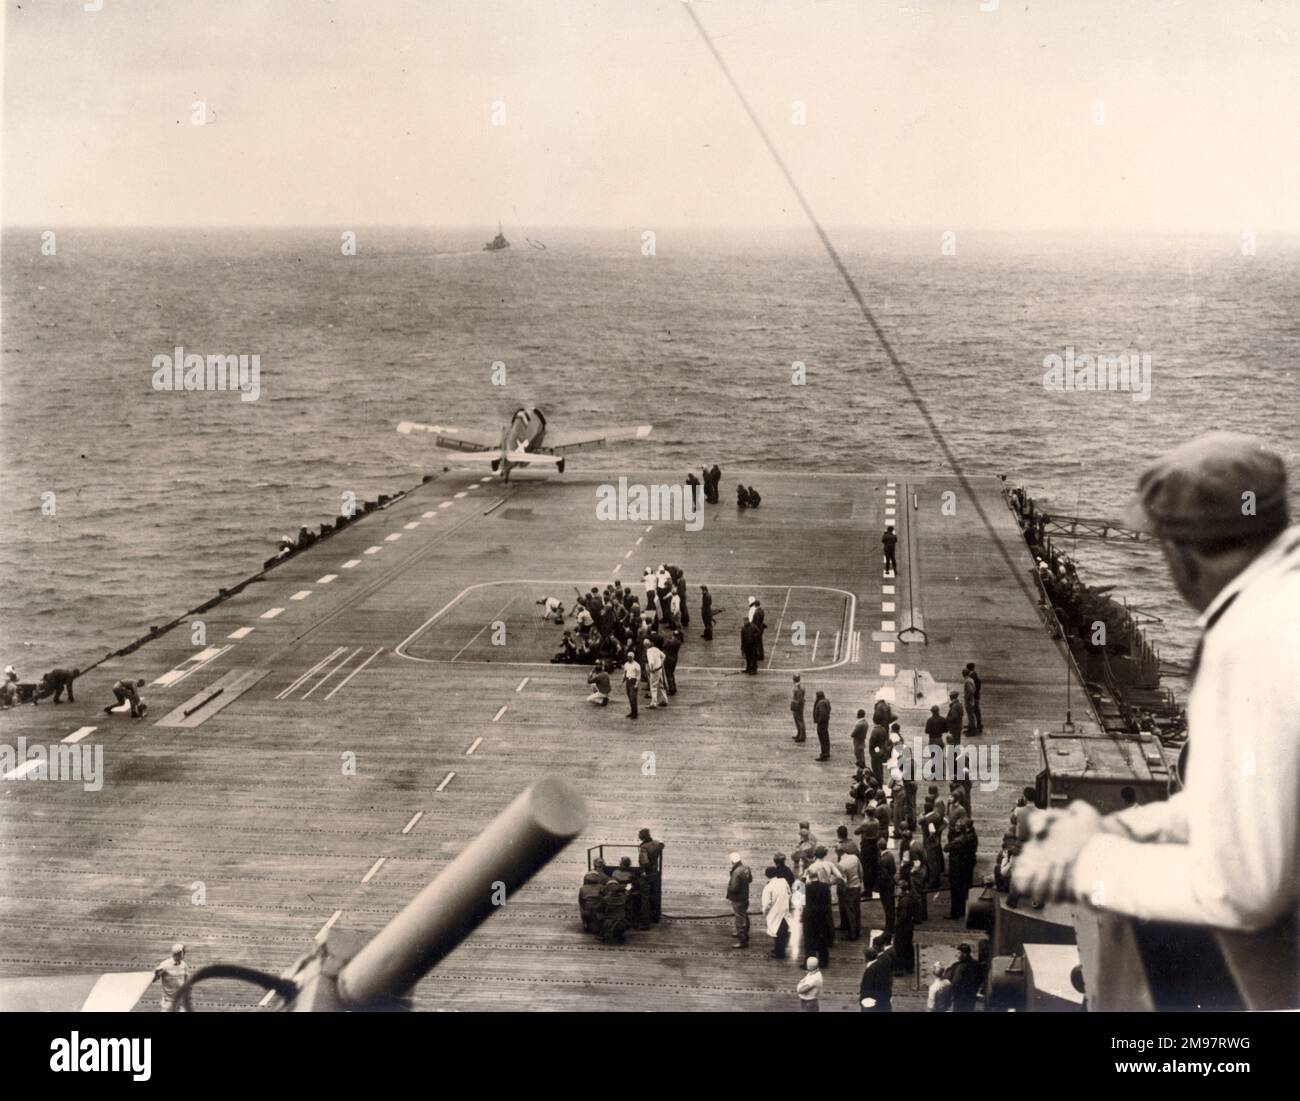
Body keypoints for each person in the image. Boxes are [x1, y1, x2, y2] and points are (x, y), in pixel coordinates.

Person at [1012, 432, 1300, 1010]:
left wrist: (1087, 861)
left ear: (1181, 554)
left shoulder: (1251, 639)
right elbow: (1255, 798)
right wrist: (1121, 829)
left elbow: (1245, 889)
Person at [762, 866, 792, 959]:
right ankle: (778, 949)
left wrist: (764, 911)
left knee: (776, 932)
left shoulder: (768, 886)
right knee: (783, 931)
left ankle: (780, 953)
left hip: (774, 912)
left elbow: (766, 903)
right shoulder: (783, 881)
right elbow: (789, 893)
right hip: (785, 910)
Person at [836, 844, 864, 940]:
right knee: (857, 910)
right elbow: (861, 870)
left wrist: (842, 892)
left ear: (838, 852)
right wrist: (860, 881)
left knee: (850, 911)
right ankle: (858, 930)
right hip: (857, 886)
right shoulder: (854, 857)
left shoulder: (841, 864)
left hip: (849, 888)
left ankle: (852, 934)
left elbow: (843, 881)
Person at [726, 852, 752, 948]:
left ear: (732, 861)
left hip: (737, 899)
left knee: (739, 919)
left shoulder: (736, 872)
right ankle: (745, 932)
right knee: (744, 914)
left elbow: (734, 888)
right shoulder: (746, 868)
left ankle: (742, 941)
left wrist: (729, 888)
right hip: (745, 896)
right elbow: (750, 880)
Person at [153, 943, 189, 1012]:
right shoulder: (165, 965)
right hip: (168, 1002)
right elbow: (154, 978)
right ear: (179, 953)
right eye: (183, 952)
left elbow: (186, 979)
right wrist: (156, 974)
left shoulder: (184, 965)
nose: (185, 953)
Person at [638, 828, 665, 922]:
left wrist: (643, 872)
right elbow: (662, 845)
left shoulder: (644, 847)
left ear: (642, 836)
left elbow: (644, 862)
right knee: (655, 895)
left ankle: (645, 923)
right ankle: (655, 917)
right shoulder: (656, 843)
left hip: (647, 875)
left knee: (645, 899)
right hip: (655, 872)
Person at [859, 944, 894, 1012]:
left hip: (873, 1001)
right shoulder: (880, 964)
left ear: (866, 958)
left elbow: (866, 986)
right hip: (884, 998)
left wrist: (863, 1001)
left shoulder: (870, 970)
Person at [947, 943, 981, 1012]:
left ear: (965, 954)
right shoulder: (977, 964)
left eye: (959, 953)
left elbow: (955, 982)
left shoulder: (959, 966)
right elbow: (980, 980)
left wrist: (951, 994)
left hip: (959, 998)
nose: (956, 955)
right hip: (971, 997)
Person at [644, 639, 668, 707]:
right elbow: (664, 656)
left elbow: (651, 661)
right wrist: (661, 663)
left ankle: (653, 703)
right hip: (660, 668)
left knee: (653, 686)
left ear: (645, 646)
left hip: (655, 670)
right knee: (661, 685)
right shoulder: (656, 649)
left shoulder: (648, 651)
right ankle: (665, 700)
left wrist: (651, 669)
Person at [964, 662, 984, 732]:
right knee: (975, 712)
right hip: (976, 696)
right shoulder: (974, 675)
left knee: (974, 712)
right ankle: (975, 725)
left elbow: (973, 689)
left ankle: (975, 726)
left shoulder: (972, 676)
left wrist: (969, 697)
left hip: (974, 697)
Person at [812, 690, 831, 761]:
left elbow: (822, 714)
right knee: (826, 737)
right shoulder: (826, 701)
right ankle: (827, 752)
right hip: (825, 722)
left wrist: (819, 721)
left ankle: (824, 754)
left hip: (822, 723)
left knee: (822, 739)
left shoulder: (820, 703)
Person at [661, 630, 681, 696]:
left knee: (668, 674)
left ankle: (671, 689)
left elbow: (664, 646)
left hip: (668, 659)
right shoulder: (678, 642)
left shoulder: (669, 642)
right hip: (674, 659)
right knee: (671, 673)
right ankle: (674, 687)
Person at [962, 667, 980, 736]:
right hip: (971, 700)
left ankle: (973, 731)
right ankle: (970, 729)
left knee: (971, 716)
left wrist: (967, 698)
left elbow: (971, 691)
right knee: (970, 716)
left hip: (969, 701)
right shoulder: (971, 680)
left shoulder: (967, 681)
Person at [621, 651, 640, 719]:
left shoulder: (636, 665)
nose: (629, 658)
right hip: (628, 681)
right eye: (628, 656)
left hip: (633, 681)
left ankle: (635, 713)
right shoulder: (626, 664)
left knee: (633, 698)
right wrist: (622, 680)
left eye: (630, 657)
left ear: (633, 657)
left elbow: (638, 675)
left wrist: (637, 684)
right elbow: (625, 672)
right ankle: (632, 711)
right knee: (629, 697)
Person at [790, 674, 806, 742]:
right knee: (798, 720)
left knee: (799, 720)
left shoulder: (797, 688)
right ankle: (799, 734)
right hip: (799, 704)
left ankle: (802, 736)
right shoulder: (800, 686)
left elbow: (798, 698)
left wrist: (795, 706)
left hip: (798, 705)